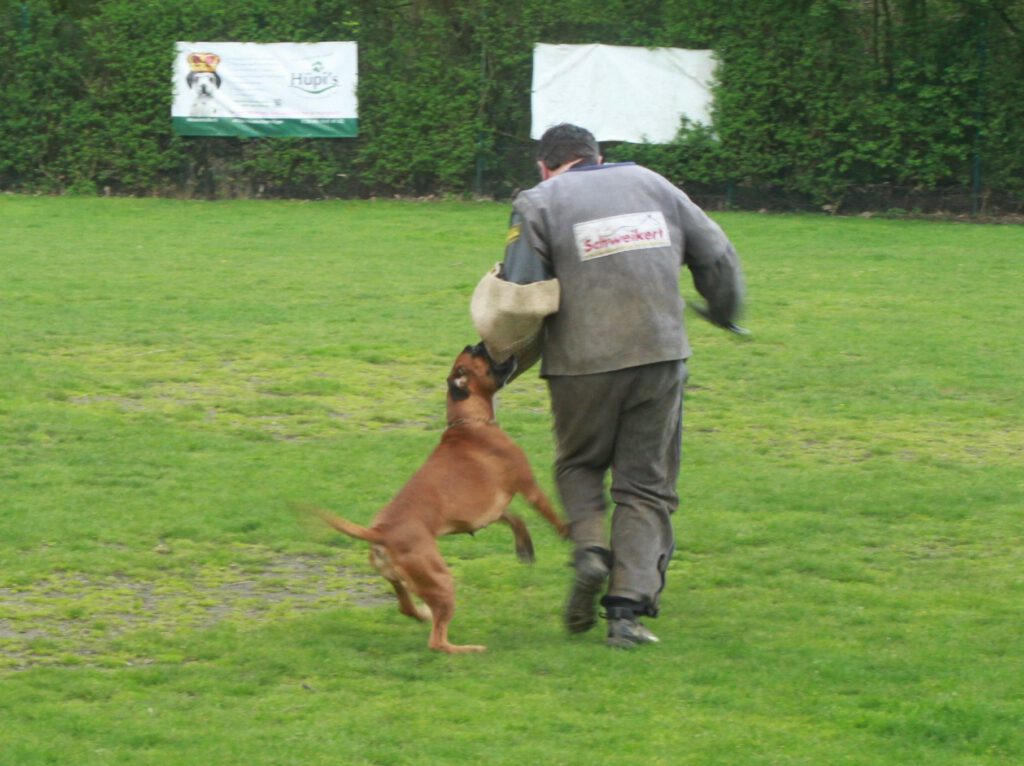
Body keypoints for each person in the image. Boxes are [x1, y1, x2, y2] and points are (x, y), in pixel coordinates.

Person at [477, 123, 745, 648]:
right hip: (662, 354)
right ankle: (627, 613)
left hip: (581, 363)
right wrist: (724, 311)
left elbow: (521, 295)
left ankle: (591, 550)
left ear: (545, 165)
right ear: (598, 157)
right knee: (645, 483)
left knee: (579, 464)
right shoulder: (653, 183)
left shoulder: (537, 201)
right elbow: (716, 253)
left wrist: (500, 365)